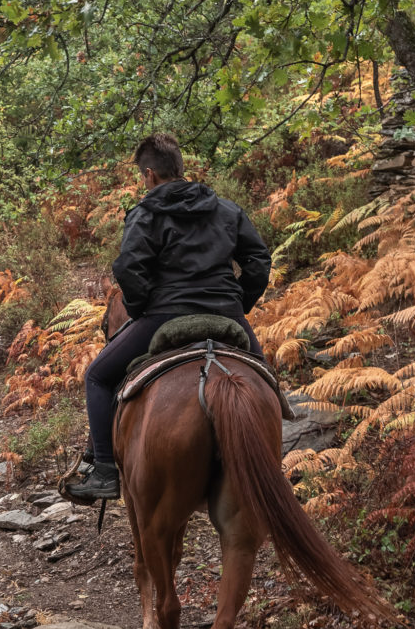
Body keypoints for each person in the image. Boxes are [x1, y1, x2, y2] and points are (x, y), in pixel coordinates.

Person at [65, 133, 271, 502]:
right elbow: (258, 261)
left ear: (149, 175)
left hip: (165, 314)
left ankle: (105, 471)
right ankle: (274, 468)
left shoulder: (145, 214)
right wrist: (240, 303)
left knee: (97, 376)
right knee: (266, 382)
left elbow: (129, 267)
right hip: (227, 313)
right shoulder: (226, 209)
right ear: (179, 168)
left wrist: (143, 307)